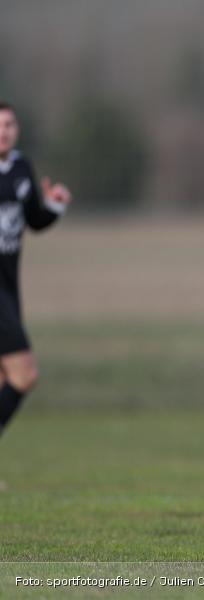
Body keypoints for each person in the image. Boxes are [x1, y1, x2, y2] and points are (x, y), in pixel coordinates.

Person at [0, 102, 72, 445]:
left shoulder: (22, 168)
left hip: (10, 288)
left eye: (10, 124)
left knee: (3, 379)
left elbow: (34, 221)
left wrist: (54, 205)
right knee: (25, 373)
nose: (3, 131)